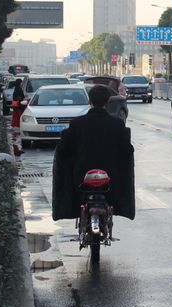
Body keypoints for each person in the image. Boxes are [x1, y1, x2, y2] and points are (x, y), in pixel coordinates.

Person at [52, 85, 135, 221]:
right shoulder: (117, 124)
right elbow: (127, 150)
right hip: (110, 176)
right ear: (107, 102)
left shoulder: (77, 124)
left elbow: (63, 150)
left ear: (89, 101)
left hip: (82, 176)